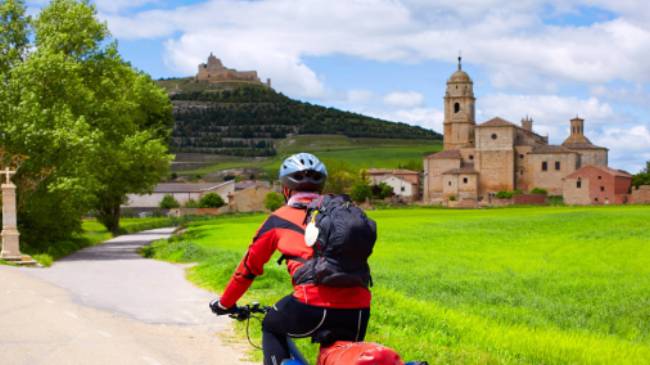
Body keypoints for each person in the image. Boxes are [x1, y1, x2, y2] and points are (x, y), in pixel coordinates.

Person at [210, 153, 371, 365]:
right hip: (358, 308)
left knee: (271, 325)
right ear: (320, 188)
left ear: (286, 189)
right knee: (340, 356)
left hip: (309, 303)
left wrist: (225, 303)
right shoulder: (345, 214)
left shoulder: (278, 219)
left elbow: (248, 269)